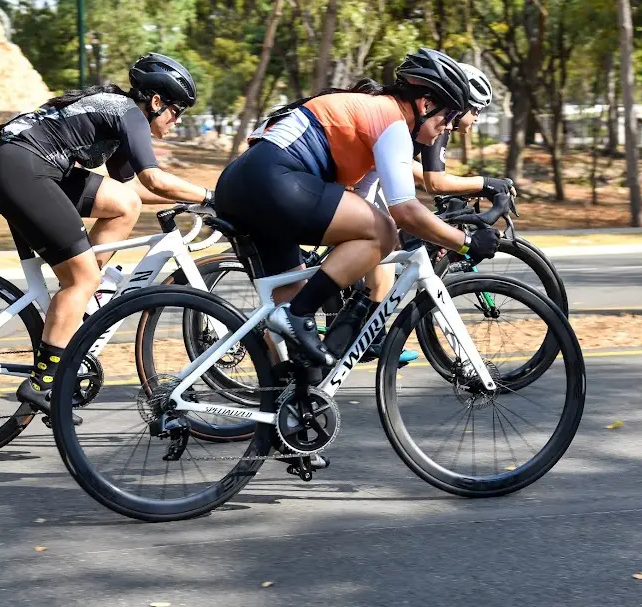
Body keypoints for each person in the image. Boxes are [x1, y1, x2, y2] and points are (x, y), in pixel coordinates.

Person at [215, 47, 501, 367]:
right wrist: (464, 243)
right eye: (448, 116)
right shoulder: (392, 121)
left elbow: (366, 203)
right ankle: (302, 314)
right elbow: (402, 211)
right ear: (426, 104)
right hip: (272, 182)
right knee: (382, 232)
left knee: (290, 340)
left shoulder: (374, 119)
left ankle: (281, 401)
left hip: (243, 184)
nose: (449, 127)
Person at [0, 53, 214, 420]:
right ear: (155, 102)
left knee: (123, 204)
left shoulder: (122, 117)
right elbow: (155, 179)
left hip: (26, 165)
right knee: (81, 277)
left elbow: (134, 188)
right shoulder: (131, 115)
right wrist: (211, 197)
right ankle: (43, 383)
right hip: (21, 168)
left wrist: (193, 199)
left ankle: (84, 298)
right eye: (177, 110)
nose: (177, 120)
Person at [354, 60, 514, 362]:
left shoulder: (438, 121)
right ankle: (368, 335)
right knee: (385, 244)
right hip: (362, 181)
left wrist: (466, 190)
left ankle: (358, 319)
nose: (477, 119)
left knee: (397, 234)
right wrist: (483, 184)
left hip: (370, 178)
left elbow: (413, 171)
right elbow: (435, 181)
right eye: (476, 110)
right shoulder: (435, 121)